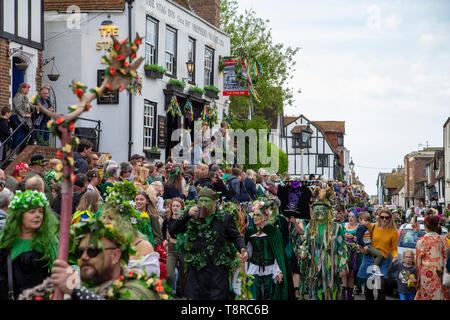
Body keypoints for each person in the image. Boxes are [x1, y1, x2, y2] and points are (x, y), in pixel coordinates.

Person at [19, 216, 170, 300]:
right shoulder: (73, 279)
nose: (84, 257)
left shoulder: (139, 286)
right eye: (79, 252)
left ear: (116, 255)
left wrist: (76, 290)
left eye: (93, 251)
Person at [169, 187, 248, 300]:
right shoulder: (192, 216)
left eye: (207, 201)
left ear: (214, 203)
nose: (203, 204)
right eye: (201, 200)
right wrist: (186, 215)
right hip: (197, 271)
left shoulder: (225, 218)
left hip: (218, 271)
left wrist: (243, 249)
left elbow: (236, 236)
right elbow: (173, 231)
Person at [0, 190, 58, 300]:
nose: (38, 215)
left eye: (41, 211)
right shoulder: (6, 240)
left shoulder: (50, 240)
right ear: (19, 215)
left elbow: (59, 274)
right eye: (32, 212)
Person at [296, 187, 347, 300]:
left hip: (331, 266)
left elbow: (342, 247)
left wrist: (343, 265)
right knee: (315, 292)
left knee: (332, 292)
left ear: (328, 211)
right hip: (315, 265)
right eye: (316, 209)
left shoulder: (336, 227)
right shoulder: (310, 227)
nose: (319, 211)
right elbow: (305, 242)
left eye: (322, 209)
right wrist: (303, 252)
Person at [243, 199, 293, 300]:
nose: (255, 217)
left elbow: (277, 254)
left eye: (258, 215)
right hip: (254, 269)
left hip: (270, 270)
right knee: (253, 295)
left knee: (270, 295)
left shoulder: (273, 231)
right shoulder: (250, 232)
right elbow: (248, 250)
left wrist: (278, 271)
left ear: (265, 217)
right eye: (254, 215)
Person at [357, 208, 398, 300]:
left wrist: (395, 256)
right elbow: (361, 237)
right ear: (379, 218)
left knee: (381, 288)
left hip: (383, 260)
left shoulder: (394, 231)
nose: (384, 219)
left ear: (390, 219)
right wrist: (360, 247)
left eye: (387, 218)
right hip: (369, 258)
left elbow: (394, 248)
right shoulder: (372, 226)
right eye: (382, 217)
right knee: (369, 287)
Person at [415, 215, 449, 300]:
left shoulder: (421, 241)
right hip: (440, 273)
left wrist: (418, 279)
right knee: (439, 295)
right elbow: (446, 257)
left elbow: (418, 262)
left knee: (426, 295)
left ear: (426, 226)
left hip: (426, 274)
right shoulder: (443, 240)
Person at [164, 198, 186, 297]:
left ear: (182, 207)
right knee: (169, 275)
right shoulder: (168, 219)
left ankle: (183, 296)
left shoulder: (185, 219)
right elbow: (163, 229)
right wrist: (165, 239)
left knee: (183, 276)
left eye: (178, 206)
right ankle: (167, 295)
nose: (175, 208)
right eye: (173, 206)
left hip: (183, 249)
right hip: (172, 249)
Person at [340, 210, 359, 300]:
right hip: (343, 251)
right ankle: (343, 293)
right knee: (344, 272)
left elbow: (361, 239)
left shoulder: (359, 227)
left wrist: (353, 237)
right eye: (349, 216)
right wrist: (344, 235)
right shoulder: (344, 225)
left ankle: (350, 295)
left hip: (354, 253)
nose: (350, 218)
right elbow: (338, 236)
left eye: (353, 217)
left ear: (356, 218)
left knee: (351, 274)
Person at [11, 83, 34, 151]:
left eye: (28, 88)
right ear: (22, 89)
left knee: (24, 135)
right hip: (17, 118)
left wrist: (38, 107)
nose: (28, 89)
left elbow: (30, 105)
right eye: (26, 88)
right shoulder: (18, 96)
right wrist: (24, 114)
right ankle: (13, 150)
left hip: (23, 119)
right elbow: (18, 107)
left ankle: (20, 150)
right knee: (18, 134)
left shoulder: (25, 97)